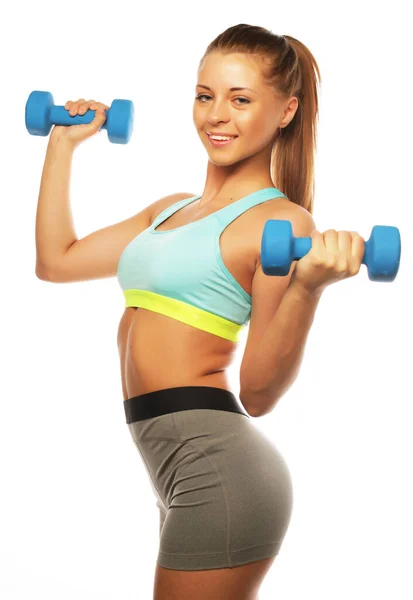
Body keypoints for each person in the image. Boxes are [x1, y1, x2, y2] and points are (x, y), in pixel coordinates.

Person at [34, 23, 365, 600]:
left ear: (285, 111)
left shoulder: (280, 225)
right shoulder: (169, 210)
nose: (217, 115)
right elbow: (56, 261)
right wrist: (62, 146)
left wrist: (307, 287)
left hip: (219, 463)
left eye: (241, 100)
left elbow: (258, 394)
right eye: (204, 95)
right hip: (171, 464)